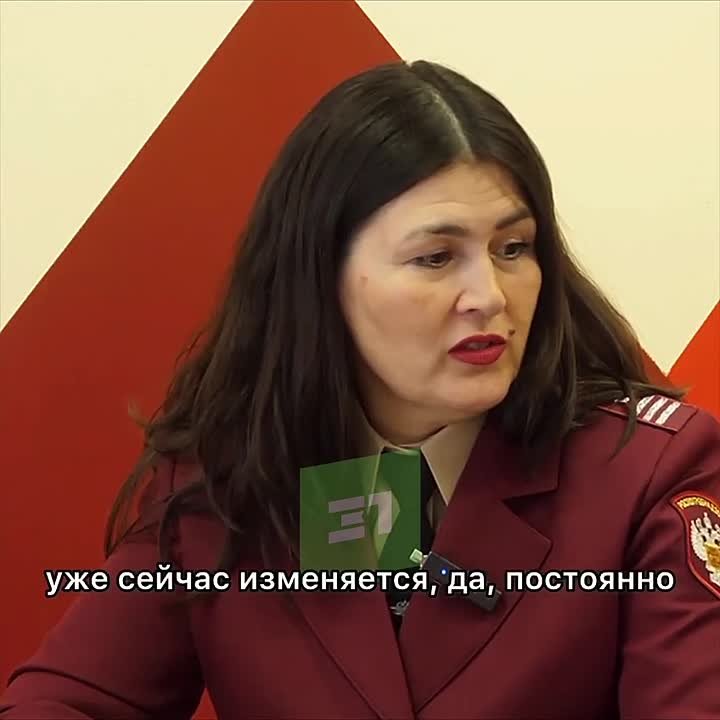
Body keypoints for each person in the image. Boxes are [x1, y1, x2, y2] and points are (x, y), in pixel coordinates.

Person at [1, 59, 718, 720]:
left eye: (513, 248)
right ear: (321, 277)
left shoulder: (647, 474)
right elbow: (67, 701)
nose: (490, 296)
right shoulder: (230, 478)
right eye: (435, 257)